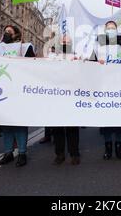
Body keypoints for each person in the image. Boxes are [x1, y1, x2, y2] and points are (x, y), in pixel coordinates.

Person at [90, 21, 121, 160]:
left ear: (117, 30)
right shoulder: (98, 43)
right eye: (108, 28)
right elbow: (91, 63)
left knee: (120, 119)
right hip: (105, 87)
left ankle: (119, 147)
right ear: (105, 30)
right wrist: (97, 63)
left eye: (113, 28)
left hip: (120, 87)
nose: (111, 30)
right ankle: (108, 147)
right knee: (107, 120)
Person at [0, 25, 34, 167]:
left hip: (18, 89)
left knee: (19, 123)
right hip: (3, 89)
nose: (6, 34)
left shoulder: (25, 47)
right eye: (4, 31)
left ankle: (22, 153)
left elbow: (33, 67)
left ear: (17, 35)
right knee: (6, 124)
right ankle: (8, 152)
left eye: (9, 32)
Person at [52, 35, 81, 165]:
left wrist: (80, 62)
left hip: (72, 96)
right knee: (57, 127)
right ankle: (59, 154)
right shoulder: (52, 57)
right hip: (56, 96)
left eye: (67, 42)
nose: (65, 43)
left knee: (72, 127)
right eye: (63, 41)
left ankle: (74, 153)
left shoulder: (77, 56)